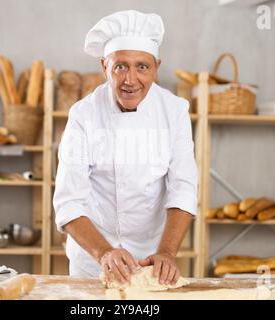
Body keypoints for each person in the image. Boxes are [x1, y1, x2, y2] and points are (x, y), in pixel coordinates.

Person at [53, 10, 198, 285]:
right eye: (120, 66)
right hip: (92, 261)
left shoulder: (175, 112)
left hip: (151, 261)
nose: (130, 80)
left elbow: (183, 189)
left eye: (142, 66)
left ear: (156, 67)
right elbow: (69, 201)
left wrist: (166, 252)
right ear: (104, 67)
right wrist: (104, 252)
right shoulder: (83, 115)